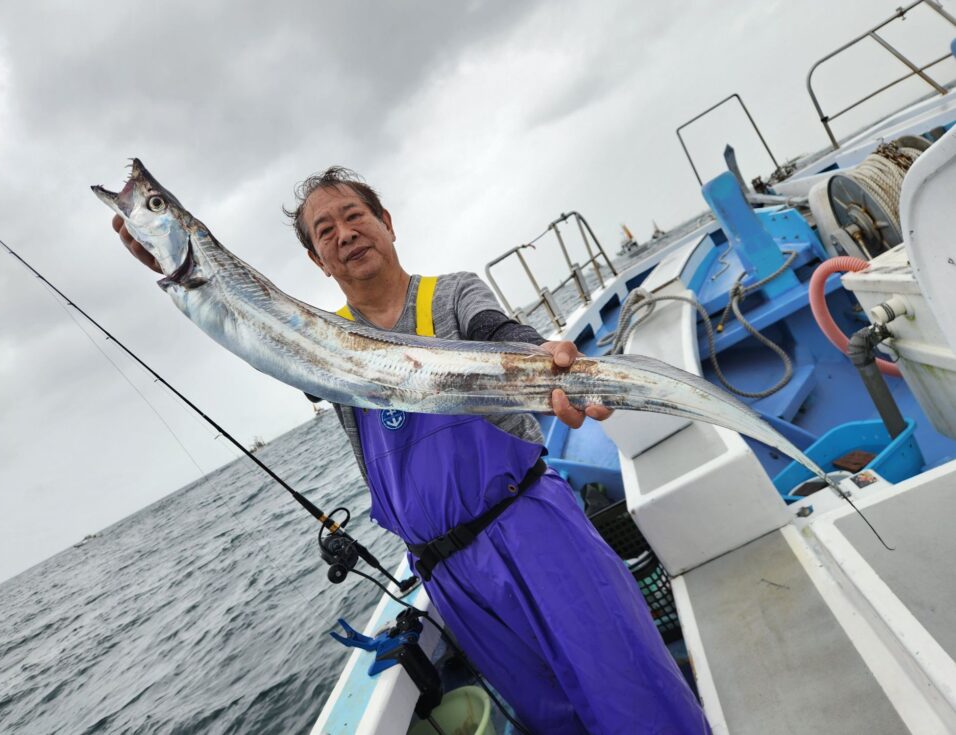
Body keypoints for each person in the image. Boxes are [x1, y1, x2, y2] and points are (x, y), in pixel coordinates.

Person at [113, 167, 709, 734]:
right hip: (448, 575)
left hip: (532, 527)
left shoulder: (451, 296)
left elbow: (501, 335)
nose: (345, 234)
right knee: (551, 717)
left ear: (386, 222)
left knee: (633, 694)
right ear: (317, 260)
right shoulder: (318, 346)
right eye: (326, 232)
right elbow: (241, 320)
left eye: (354, 216)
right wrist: (166, 264)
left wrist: (554, 365)